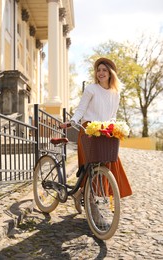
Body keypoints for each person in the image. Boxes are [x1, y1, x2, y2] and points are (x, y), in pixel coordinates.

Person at [61, 57, 132, 216]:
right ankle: (90, 202)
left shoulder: (116, 93)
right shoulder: (91, 89)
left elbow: (113, 115)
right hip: (89, 130)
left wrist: (114, 127)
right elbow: (80, 109)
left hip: (105, 130)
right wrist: (72, 121)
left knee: (111, 162)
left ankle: (82, 194)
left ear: (110, 72)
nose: (100, 73)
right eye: (98, 70)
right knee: (90, 165)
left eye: (104, 70)